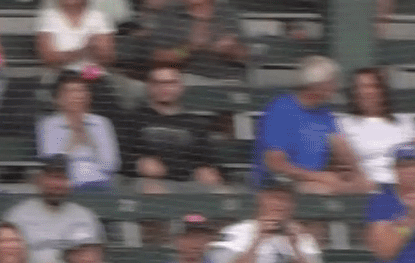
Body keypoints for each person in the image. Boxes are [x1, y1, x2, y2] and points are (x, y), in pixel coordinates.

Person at [253, 57, 366, 195]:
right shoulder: (281, 109)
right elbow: (275, 164)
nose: (336, 87)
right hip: (282, 183)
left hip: (316, 180)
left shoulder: (324, 112)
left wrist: (357, 175)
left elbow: (341, 147)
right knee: (324, 189)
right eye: (331, 82)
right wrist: (319, 177)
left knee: (365, 185)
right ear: (316, 85)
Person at [124, 63, 225, 192]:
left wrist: (208, 170)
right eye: (158, 83)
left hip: (189, 182)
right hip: (148, 182)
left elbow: (211, 160)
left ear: (180, 87)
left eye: (171, 83)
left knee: (222, 192)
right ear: (149, 87)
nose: (164, 87)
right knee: (152, 191)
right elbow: (121, 156)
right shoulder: (134, 118)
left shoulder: (195, 123)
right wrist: (137, 165)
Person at [2, 156, 104, 263]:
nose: (57, 184)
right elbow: (6, 261)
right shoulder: (17, 216)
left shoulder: (85, 216)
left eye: (62, 178)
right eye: (52, 177)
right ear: (39, 180)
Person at [38, 74, 120, 190]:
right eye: (71, 91)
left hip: (100, 186)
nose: (78, 95)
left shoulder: (101, 123)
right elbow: (53, 165)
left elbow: (111, 165)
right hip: (65, 187)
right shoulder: (49, 124)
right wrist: (73, 135)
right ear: (58, 99)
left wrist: (87, 134)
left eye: (82, 90)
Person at [338, 68, 415, 192]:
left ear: (382, 91)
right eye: (359, 87)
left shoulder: (404, 121)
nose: (365, 92)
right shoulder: (344, 124)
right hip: (369, 190)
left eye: (370, 86)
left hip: (407, 188)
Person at [137, 0, 247, 83]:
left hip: (229, 80)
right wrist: (189, 48)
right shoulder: (171, 12)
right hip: (188, 80)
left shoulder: (225, 11)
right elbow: (158, 57)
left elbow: (245, 56)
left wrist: (231, 49)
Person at [367, 147, 415, 263]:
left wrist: (397, 226)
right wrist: (410, 220)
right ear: (395, 170)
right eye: (403, 166)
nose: (409, 171)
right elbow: (385, 251)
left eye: (413, 165)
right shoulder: (383, 199)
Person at [36, 0, 116, 87]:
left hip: (93, 78)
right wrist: (86, 49)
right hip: (59, 79)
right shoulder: (48, 17)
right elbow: (50, 59)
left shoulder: (99, 17)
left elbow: (107, 58)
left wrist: (66, 56)